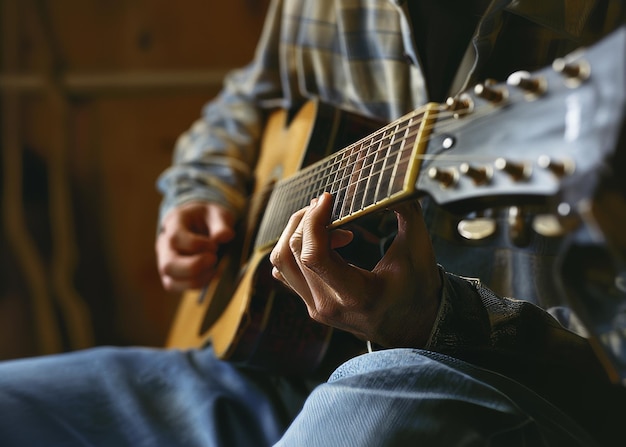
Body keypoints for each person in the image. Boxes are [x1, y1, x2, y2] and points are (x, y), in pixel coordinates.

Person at [1, 1, 625, 446]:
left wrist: (434, 323)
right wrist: (200, 189)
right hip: (275, 375)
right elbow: (246, 98)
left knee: (366, 400)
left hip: (510, 394)